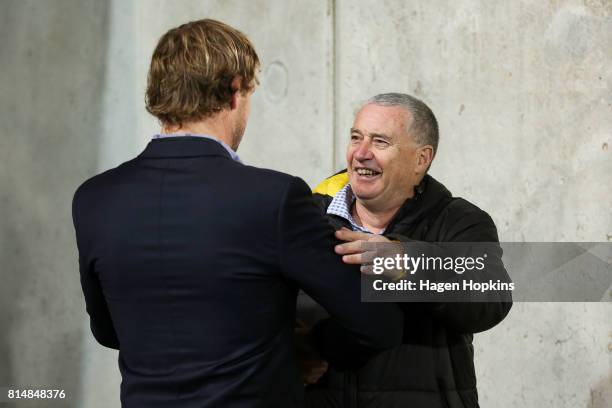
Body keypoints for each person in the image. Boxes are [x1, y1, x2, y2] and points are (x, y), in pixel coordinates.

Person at [72, 20, 404, 408]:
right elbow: (377, 325)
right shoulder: (274, 198)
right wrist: (303, 346)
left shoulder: (94, 199)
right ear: (234, 90)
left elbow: (109, 331)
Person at [300, 93, 512, 408]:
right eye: (356, 137)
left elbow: (490, 298)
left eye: (380, 142)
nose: (360, 153)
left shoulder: (459, 221)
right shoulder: (307, 219)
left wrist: (409, 262)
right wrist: (293, 350)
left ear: (421, 159)